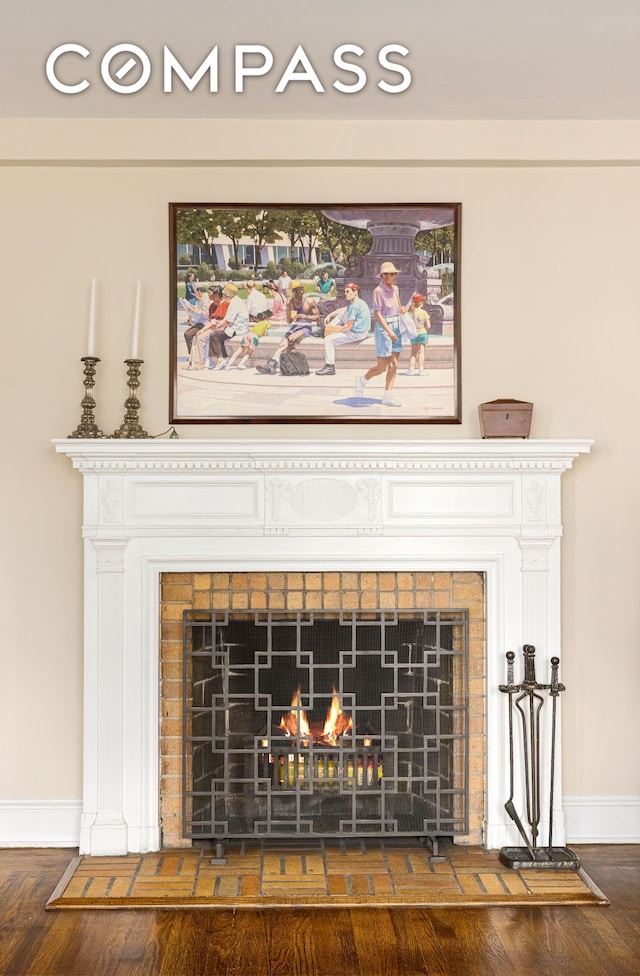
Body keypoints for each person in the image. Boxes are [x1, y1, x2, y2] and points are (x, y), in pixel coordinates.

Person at [355, 261, 406, 407]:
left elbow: (399, 306)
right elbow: (377, 314)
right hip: (385, 328)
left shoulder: (396, 289)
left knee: (394, 364)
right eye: (391, 274)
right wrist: (389, 331)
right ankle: (362, 380)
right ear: (383, 276)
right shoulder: (378, 291)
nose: (394, 276)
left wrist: (402, 310)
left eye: (395, 273)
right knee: (382, 366)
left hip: (396, 325)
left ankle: (387, 395)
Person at [256, 281, 319, 375]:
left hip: (306, 327)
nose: (301, 292)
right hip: (295, 326)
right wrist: (290, 318)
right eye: (298, 290)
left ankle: (273, 364)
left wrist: (304, 316)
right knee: (283, 342)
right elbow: (289, 321)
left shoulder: (309, 301)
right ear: (294, 291)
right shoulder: (290, 302)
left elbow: (317, 317)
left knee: (291, 338)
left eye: (302, 289)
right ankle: (272, 364)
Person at [315, 283, 371, 376]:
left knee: (329, 340)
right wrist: (329, 315)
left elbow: (348, 327)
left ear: (355, 292)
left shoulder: (354, 306)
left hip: (357, 333)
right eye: (345, 292)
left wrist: (334, 332)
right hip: (362, 331)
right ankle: (325, 330)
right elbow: (343, 309)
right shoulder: (360, 302)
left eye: (348, 292)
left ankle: (330, 367)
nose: (345, 294)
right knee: (342, 313)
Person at [208, 282, 250, 369]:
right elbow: (227, 319)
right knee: (218, 334)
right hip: (237, 327)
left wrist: (218, 325)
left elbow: (228, 322)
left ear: (228, 295)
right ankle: (224, 358)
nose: (223, 296)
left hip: (238, 329)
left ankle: (221, 360)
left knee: (214, 335)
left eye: (224, 294)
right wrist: (219, 324)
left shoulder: (234, 303)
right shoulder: (235, 300)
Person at [405, 292, 430, 376]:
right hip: (422, 333)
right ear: (421, 303)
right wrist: (423, 328)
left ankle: (411, 370)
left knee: (413, 352)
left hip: (413, 334)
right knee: (421, 352)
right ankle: (421, 370)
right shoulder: (424, 312)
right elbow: (428, 326)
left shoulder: (410, 313)